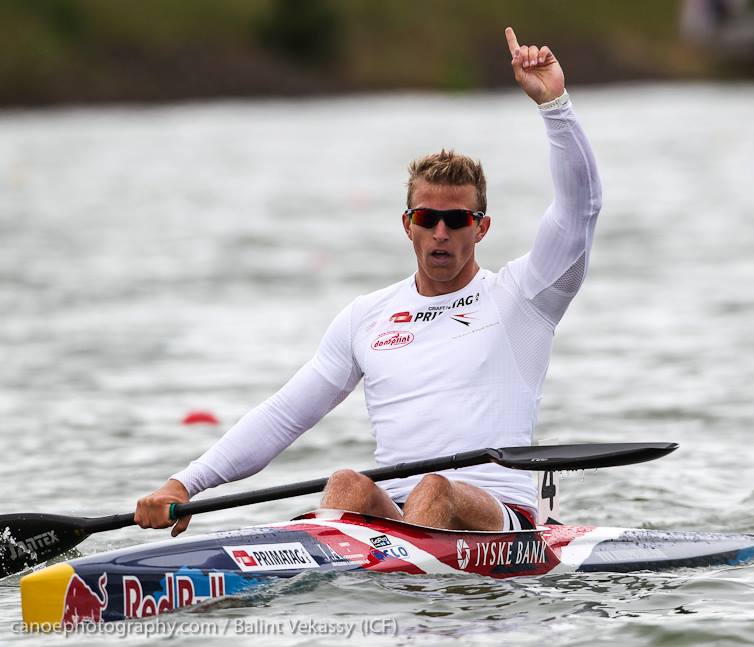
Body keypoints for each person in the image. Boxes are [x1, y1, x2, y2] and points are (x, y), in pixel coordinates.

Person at [135, 27, 602, 536]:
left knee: (435, 487)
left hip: (499, 523)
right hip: (394, 521)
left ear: (481, 228)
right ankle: (357, 576)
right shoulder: (366, 318)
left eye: (457, 221)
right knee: (346, 484)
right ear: (407, 226)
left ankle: (396, 583)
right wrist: (183, 484)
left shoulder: (523, 298)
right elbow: (284, 416)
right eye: (426, 219)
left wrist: (554, 104)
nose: (440, 232)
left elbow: (580, 210)